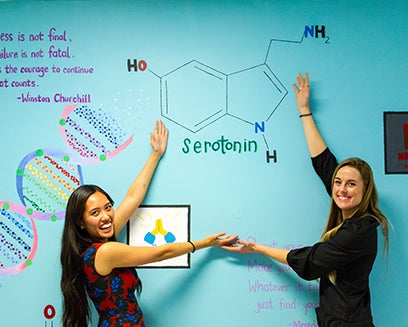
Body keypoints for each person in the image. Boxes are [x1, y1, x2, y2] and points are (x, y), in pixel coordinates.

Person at [223, 73, 389, 326]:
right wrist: (304, 111)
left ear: (365, 190)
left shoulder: (360, 230)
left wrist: (259, 249)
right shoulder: (353, 217)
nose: (342, 189)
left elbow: (311, 264)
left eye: (352, 184)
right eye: (338, 182)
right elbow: (324, 163)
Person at [60, 120, 238, 327]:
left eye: (108, 207)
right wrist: (204, 243)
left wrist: (156, 154)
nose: (106, 216)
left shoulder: (99, 242)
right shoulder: (105, 251)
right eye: (95, 212)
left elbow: (133, 197)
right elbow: (161, 253)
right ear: (81, 223)